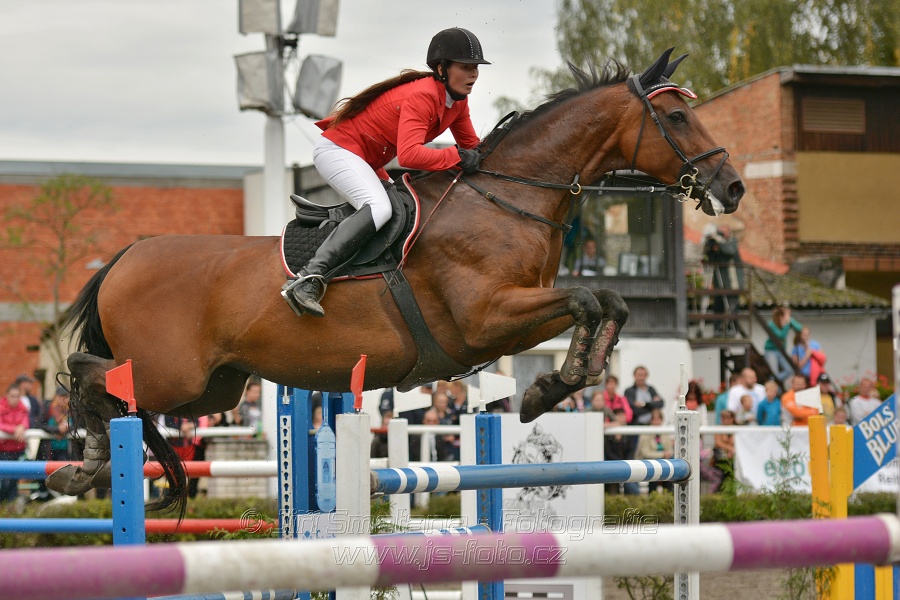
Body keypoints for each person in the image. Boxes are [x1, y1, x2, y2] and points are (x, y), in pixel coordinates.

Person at [283, 27, 490, 317]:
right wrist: (456, 156)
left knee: (402, 208)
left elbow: (473, 148)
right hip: (339, 151)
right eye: (466, 67)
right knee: (379, 207)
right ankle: (307, 279)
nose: (474, 75)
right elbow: (409, 155)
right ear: (442, 69)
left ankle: (341, 225)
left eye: (476, 68)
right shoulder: (424, 96)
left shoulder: (457, 102)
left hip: (365, 159)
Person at [702, 224, 743, 337]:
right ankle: (718, 330)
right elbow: (709, 257)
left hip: (732, 282)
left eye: (722, 233)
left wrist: (718, 240)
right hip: (719, 283)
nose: (720, 235)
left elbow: (729, 251)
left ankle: (732, 329)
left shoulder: (732, 242)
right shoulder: (719, 244)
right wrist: (709, 244)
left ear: (728, 233)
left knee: (732, 307)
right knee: (718, 306)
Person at [0, 385, 30, 502]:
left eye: (17, 396)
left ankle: (9, 507)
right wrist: (15, 429)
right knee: (5, 480)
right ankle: (3, 504)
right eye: (12, 396)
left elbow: (26, 422)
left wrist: (21, 427)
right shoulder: (1, 408)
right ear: (6, 396)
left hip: (18, 449)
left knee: (14, 479)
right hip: (3, 450)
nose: (15, 399)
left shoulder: (23, 408)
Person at [635, 409, 674, 493]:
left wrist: (666, 454)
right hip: (649, 462)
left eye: (658, 418)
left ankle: (668, 498)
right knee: (655, 471)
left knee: (668, 470)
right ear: (651, 420)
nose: (656, 421)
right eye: (654, 418)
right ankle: (654, 497)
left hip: (663, 462)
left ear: (661, 420)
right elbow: (645, 453)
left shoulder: (665, 432)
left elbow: (669, 449)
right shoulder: (646, 433)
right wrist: (662, 454)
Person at [763, 307, 802, 387]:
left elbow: (799, 328)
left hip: (781, 352)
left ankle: (773, 382)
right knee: (774, 372)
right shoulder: (772, 324)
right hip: (771, 351)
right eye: (786, 315)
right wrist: (787, 324)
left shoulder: (786, 324)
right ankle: (774, 384)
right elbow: (781, 336)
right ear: (780, 316)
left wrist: (790, 320)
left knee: (790, 370)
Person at [604, 408, 639, 495]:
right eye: (619, 415)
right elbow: (608, 452)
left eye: (623, 415)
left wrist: (625, 463)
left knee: (633, 491)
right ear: (614, 417)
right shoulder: (609, 434)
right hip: (612, 467)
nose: (622, 417)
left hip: (628, 465)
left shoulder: (629, 432)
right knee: (613, 493)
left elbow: (631, 450)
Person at [712, 410, 737, 492]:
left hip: (734, 457)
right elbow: (718, 443)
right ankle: (724, 490)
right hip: (721, 457)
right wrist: (730, 449)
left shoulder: (737, 429)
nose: (724, 420)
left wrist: (731, 451)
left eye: (726, 418)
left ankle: (730, 489)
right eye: (722, 418)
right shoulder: (719, 429)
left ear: (732, 419)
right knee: (725, 467)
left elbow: (737, 443)